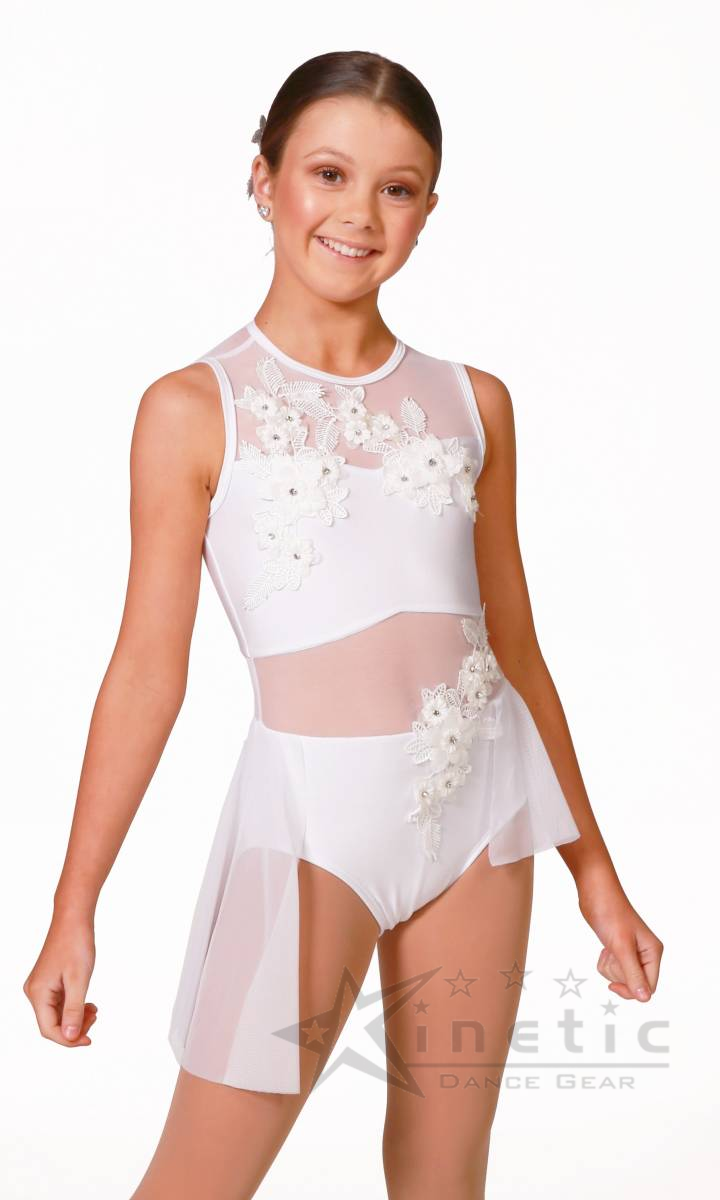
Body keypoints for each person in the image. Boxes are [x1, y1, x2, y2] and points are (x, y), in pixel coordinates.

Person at [22, 49, 663, 1200]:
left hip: (482, 824)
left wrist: (597, 875)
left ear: (428, 210)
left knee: (444, 1177)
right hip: (312, 828)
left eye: (396, 187)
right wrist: (76, 908)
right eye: (328, 173)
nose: (359, 213)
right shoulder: (193, 409)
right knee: (197, 1182)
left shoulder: (474, 402)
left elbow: (514, 648)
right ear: (263, 179)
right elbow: (147, 671)